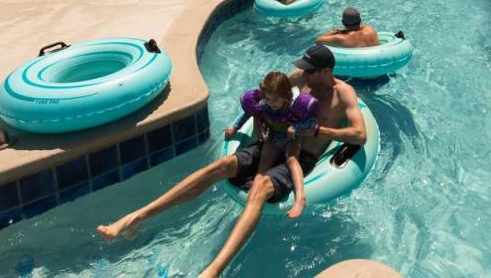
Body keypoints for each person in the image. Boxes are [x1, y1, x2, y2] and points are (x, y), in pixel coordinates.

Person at [97, 44, 367, 278]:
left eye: (310, 70)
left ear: (326, 72)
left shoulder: (343, 94)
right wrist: (259, 121)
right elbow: (268, 97)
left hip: (302, 156)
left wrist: (320, 131)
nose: (303, 74)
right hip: (273, 142)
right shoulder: (300, 79)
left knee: (259, 190)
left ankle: (214, 270)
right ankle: (138, 217)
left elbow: (360, 135)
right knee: (219, 167)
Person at [224, 72, 318, 219]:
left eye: (275, 100)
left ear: (286, 96)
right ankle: (255, 189)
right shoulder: (264, 105)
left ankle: (300, 199)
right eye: (267, 98)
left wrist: (296, 127)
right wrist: (235, 128)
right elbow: (247, 113)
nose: (271, 103)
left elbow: (311, 122)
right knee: (263, 164)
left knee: (292, 160)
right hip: (273, 138)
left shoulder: (294, 107)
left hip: (291, 140)